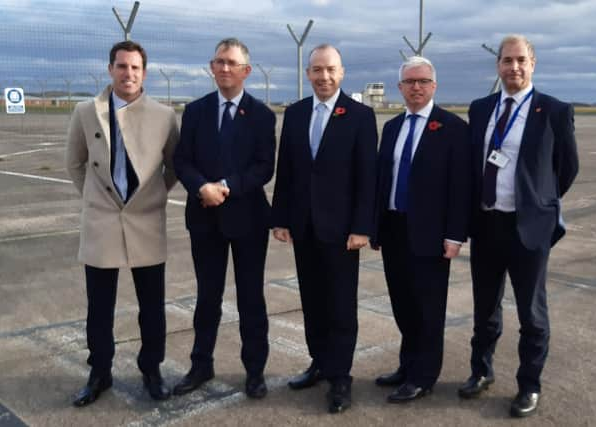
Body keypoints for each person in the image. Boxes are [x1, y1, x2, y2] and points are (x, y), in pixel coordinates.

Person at [458, 34, 579, 417]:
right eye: (507, 60)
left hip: (529, 229)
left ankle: (529, 385)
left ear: (533, 63)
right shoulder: (480, 109)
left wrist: (538, 202)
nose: (514, 67)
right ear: (498, 65)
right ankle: (482, 371)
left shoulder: (554, 111)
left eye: (521, 60)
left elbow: (566, 168)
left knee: (532, 312)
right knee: (485, 308)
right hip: (487, 224)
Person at [66, 40, 179, 406]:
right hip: (101, 222)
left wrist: (154, 195)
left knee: (152, 306)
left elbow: (174, 165)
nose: (128, 73)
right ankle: (100, 372)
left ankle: (151, 370)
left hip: (146, 221)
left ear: (144, 72)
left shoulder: (164, 116)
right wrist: (97, 201)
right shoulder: (86, 112)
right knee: (99, 307)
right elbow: (74, 163)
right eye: (121, 66)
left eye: (135, 67)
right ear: (110, 69)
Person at [271, 44, 377, 413]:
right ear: (308, 74)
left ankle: (341, 377)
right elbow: (286, 170)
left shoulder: (361, 116)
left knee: (341, 305)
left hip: (342, 230)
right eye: (317, 70)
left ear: (342, 72)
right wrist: (280, 218)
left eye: (330, 70)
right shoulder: (297, 113)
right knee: (312, 301)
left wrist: (363, 226)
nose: (324, 77)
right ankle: (319, 362)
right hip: (303, 226)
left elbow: (368, 176)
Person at [172, 38, 275, 399]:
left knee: (251, 298)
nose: (225, 68)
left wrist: (227, 186)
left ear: (246, 70)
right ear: (211, 68)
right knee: (207, 297)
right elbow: (181, 159)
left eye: (232, 62)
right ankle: (201, 364)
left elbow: (265, 166)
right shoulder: (196, 110)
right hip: (204, 217)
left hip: (248, 218)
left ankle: (255, 371)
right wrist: (202, 187)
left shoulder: (262, 115)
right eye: (219, 61)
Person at [371, 56, 471, 403]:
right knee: (402, 304)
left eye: (423, 81)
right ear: (400, 88)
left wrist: (455, 234)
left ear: (434, 86)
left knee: (427, 308)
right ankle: (407, 365)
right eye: (410, 82)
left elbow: (461, 187)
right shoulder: (393, 128)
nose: (416, 87)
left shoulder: (453, 128)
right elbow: (383, 180)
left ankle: (424, 376)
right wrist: (376, 228)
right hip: (395, 229)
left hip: (431, 234)